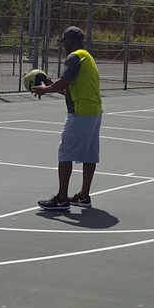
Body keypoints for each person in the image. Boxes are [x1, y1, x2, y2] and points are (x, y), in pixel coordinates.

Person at [32, 26, 103, 211]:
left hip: (80, 113)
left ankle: (62, 198)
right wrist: (51, 86)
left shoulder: (74, 57)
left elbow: (64, 82)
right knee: (89, 155)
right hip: (94, 111)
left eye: (64, 41)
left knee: (65, 153)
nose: (63, 45)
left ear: (71, 40)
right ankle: (83, 196)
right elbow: (70, 89)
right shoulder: (88, 57)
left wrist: (45, 89)